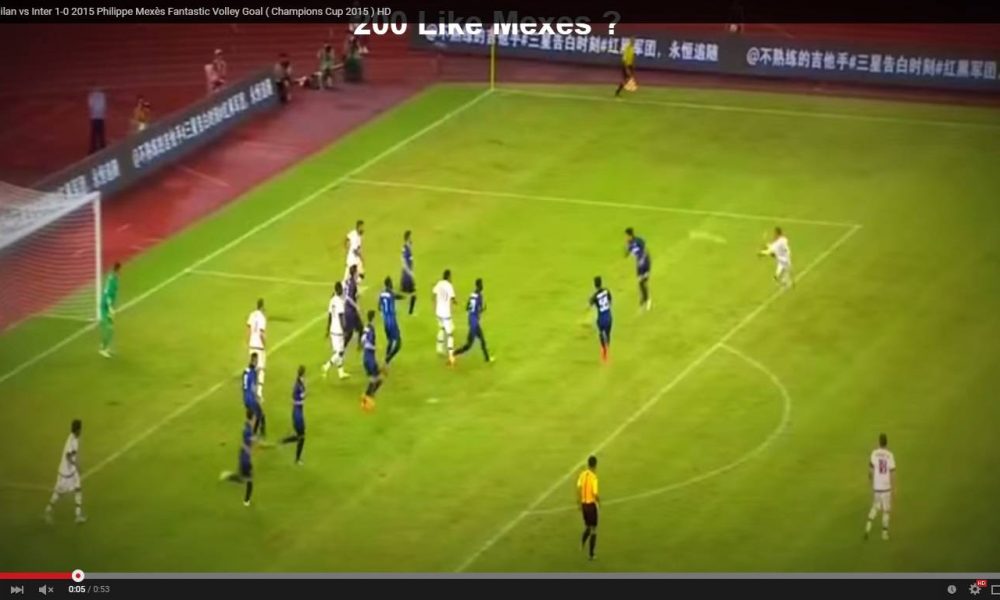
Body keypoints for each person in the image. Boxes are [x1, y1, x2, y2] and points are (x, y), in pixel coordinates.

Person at [44, 419, 86, 524]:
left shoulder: (74, 438)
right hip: (65, 473)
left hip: (72, 471)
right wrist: (76, 464)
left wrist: (75, 467)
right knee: (59, 493)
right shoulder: (71, 441)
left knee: (78, 488)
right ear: (77, 430)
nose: (81, 431)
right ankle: (48, 510)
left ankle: (78, 515)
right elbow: (68, 456)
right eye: (80, 429)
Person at [220, 409, 255, 506]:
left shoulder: (246, 426)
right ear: (253, 418)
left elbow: (245, 442)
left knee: (242, 477)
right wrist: (250, 449)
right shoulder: (248, 430)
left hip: (242, 455)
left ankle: (228, 476)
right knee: (249, 481)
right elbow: (250, 442)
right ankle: (246, 501)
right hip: (246, 459)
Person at [865, 433, 896, 541]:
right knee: (886, 510)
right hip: (886, 487)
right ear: (886, 443)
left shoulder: (874, 453)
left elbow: (870, 470)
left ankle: (868, 527)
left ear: (879, 442)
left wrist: (870, 480)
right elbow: (892, 472)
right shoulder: (890, 455)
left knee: (875, 506)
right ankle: (884, 533)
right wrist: (894, 488)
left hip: (877, 486)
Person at [454, 278, 492, 363]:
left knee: (482, 340)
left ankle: (487, 358)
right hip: (474, 323)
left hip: (472, 320)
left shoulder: (472, 295)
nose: (482, 286)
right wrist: (483, 309)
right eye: (481, 284)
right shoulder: (479, 296)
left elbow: (467, 307)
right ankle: (454, 353)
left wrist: (474, 313)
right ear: (479, 285)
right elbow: (479, 309)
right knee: (469, 345)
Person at [322, 281, 350, 379]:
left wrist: (327, 329)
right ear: (340, 290)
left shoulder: (332, 300)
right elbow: (341, 317)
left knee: (337, 352)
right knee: (340, 352)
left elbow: (330, 316)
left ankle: (341, 372)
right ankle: (326, 366)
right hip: (338, 331)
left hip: (332, 330)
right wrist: (344, 330)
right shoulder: (339, 302)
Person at [280, 366, 307, 465]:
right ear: (302, 374)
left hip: (299, 412)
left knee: (300, 436)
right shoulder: (297, 386)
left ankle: (283, 441)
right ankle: (297, 459)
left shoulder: (300, 383)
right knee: (301, 437)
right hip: (297, 414)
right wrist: (303, 397)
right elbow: (295, 399)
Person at [431, 269, 457, 366]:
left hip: (438, 312)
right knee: (450, 334)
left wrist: (434, 305)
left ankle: (439, 349)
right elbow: (452, 298)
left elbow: (433, 294)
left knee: (441, 329)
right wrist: (455, 302)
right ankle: (451, 355)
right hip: (446, 313)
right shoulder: (449, 286)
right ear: (449, 276)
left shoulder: (439, 283)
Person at [577, 455, 600, 560]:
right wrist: (599, 501)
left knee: (587, 527)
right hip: (591, 505)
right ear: (595, 465)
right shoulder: (594, 477)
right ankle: (591, 555)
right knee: (593, 529)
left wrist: (579, 502)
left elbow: (579, 487)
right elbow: (595, 493)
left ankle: (582, 544)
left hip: (584, 505)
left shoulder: (582, 474)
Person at [360, 310, 382, 412]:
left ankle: (369, 396)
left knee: (376, 379)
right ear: (373, 318)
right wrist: (375, 348)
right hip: (370, 358)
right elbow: (369, 343)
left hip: (365, 357)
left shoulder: (366, 327)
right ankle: (367, 399)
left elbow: (362, 341)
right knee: (376, 379)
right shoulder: (371, 329)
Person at [379, 277, 404, 368]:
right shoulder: (391, 294)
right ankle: (387, 360)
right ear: (389, 284)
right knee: (398, 343)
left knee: (390, 341)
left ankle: (386, 362)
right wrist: (405, 296)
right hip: (392, 321)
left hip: (385, 321)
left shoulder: (381, 294)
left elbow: (379, 307)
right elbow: (397, 296)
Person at [625, 227, 652, 310]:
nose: (626, 237)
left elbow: (645, 250)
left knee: (643, 281)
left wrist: (642, 259)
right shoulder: (629, 243)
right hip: (639, 265)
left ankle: (648, 300)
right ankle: (644, 298)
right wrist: (627, 248)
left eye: (626, 235)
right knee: (640, 282)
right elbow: (627, 254)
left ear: (630, 235)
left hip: (646, 262)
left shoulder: (638, 240)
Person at [246, 299, 267, 401]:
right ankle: (259, 393)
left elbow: (248, 330)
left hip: (251, 345)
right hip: (259, 346)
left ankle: (251, 390)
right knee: (261, 369)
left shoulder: (251, 315)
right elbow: (261, 333)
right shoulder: (262, 317)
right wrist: (265, 344)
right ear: (262, 306)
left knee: (253, 369)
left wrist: (247, 342)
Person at [99, 262, 121, 358]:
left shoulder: (113, 278)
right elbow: (107, 295)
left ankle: (106, 347)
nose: (120, 272)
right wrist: (110, 308)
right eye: (119, 270)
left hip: (108, 305)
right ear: (117, 270)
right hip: (105, 306)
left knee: (111, 328)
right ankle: (103, 349)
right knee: (109, 328)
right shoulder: (112, 280)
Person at [590, 276, 613, 363]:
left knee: (601, 334)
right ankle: (607, 352)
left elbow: (590, 303)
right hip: (609, 317)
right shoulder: (607, 291)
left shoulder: (595, 296)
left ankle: (604, 352)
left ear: (595, 285)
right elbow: (610, 301)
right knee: (608, 335)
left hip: (601, 319)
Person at [242, 353, 265, 437]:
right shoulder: (253, 373)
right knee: (260, 415)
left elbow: (245, 385)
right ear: (254, 361)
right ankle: (254, 435)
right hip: (251, 398)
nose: (257, 362)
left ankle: (249, 433)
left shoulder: (245, 371)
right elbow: (253, 388)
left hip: (245, 397)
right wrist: (258, 397)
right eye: (256, 360)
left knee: (250, 416)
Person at [343, 264, 364, 350]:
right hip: (350, 311)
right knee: (350, 333)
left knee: (360, 327)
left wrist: (356, 295)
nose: (358, 272)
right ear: (355, 273)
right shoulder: (352, 284)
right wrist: (356, 306)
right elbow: (349, 298)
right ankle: (341, 349)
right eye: (357, 271)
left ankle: (359, 346)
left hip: (349, 309)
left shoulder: (349, 281)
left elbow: (348, 294)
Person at [400, 230, 417, 315]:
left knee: (411, 294)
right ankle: (409, 311)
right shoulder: (405, 248)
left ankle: (410, 311)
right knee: (410, 294)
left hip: (409, 274)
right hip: (406, 275)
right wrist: (409, 272)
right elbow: (403, 261)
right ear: (407, 238)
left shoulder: (409, 247)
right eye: (410, 237)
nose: (412, 238)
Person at [88, 87, 107, 154]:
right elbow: (104, 106)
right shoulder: (102, 95)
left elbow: (90, 105)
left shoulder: (91, 95)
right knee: (101, 133)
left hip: (94, 117)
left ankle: (93, 148)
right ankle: (102, 146)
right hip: (101, 117)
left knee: (94, 134)